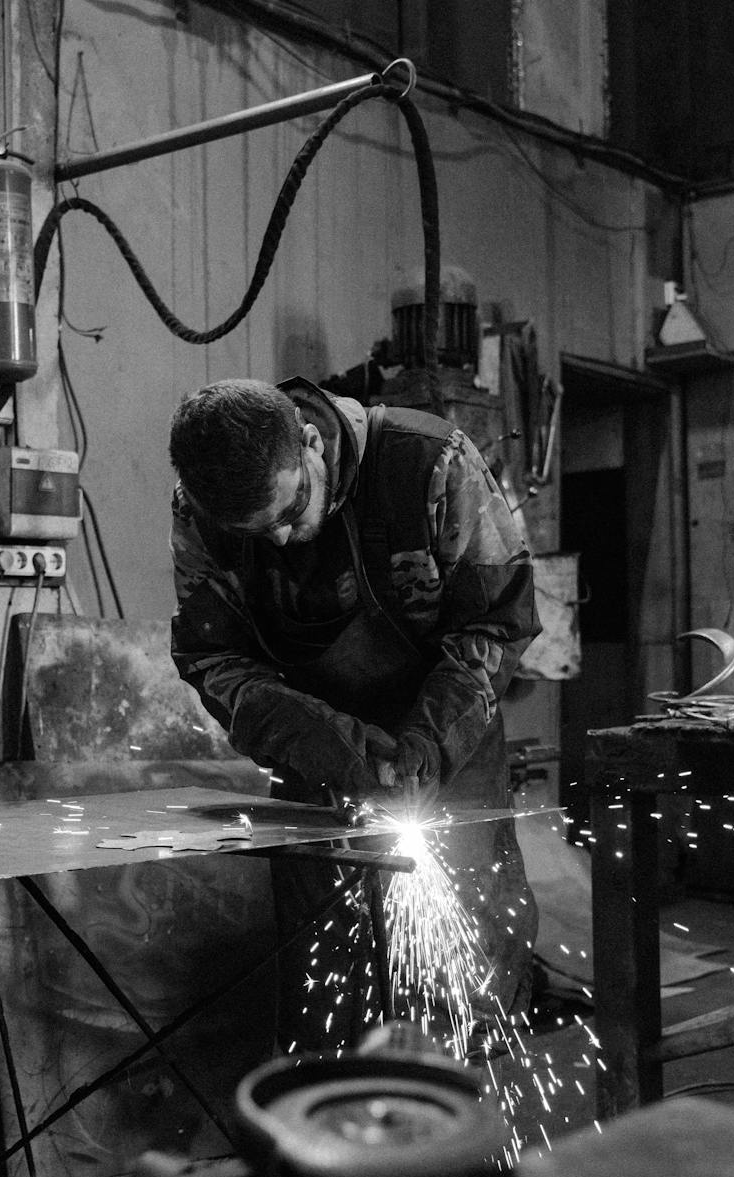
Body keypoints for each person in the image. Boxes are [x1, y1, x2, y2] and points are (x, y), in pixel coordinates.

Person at [168, 375, 539, 1053]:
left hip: (447, 734)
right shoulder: (200, 515)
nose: (282, 540)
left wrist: (425, 747)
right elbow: (212, 656)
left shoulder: (431, 464)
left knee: (467, 965)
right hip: (316, 750)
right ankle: (334, 1121)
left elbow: (496, 624)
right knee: (328, 972)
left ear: (310, 444)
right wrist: (323, 742)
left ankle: (464, 1125)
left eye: (292, 510)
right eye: (261, 531)